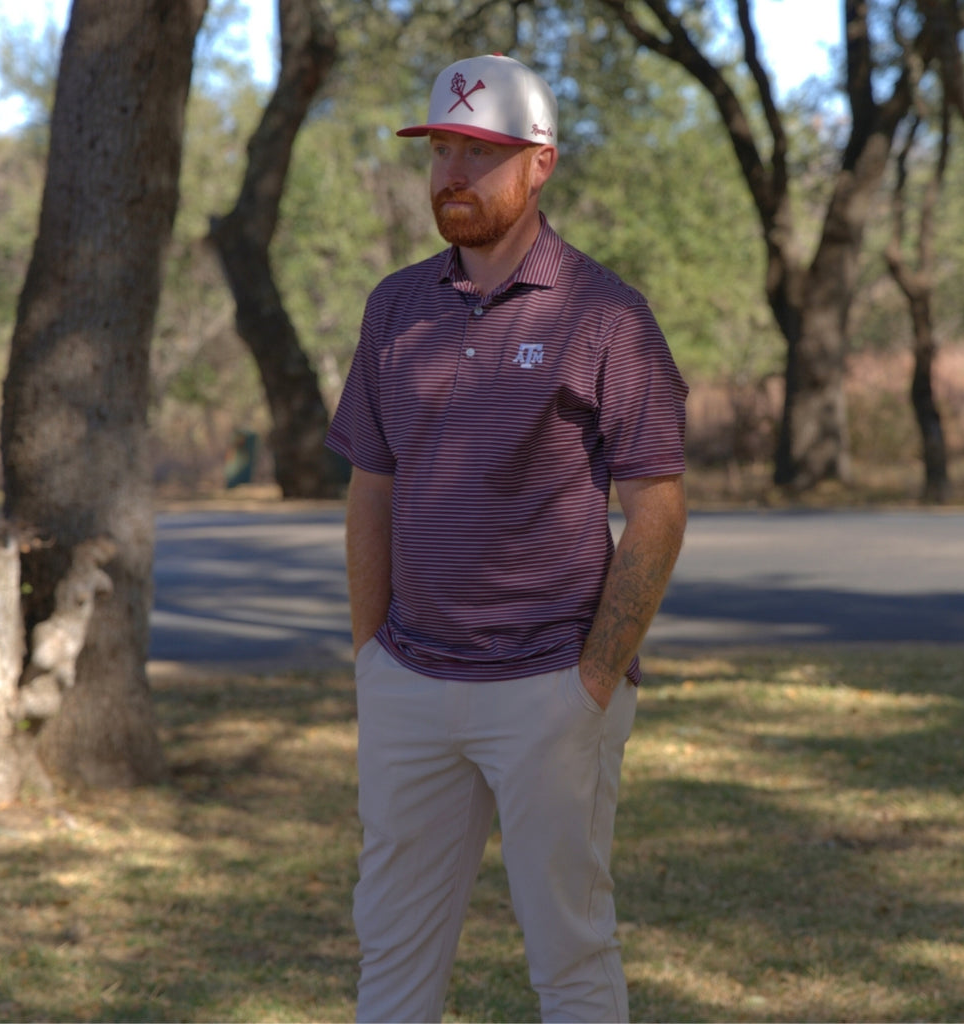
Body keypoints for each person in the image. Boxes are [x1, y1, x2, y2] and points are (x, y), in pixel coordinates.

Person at [325, 53, 688, 1023]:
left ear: (539, 165)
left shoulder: (605, 314)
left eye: (480, 153)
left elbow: (656, 505)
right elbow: (372, 484)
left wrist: (594, 681)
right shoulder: (392, 309)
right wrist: (372, 660)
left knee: (569, 957)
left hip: (547, 685)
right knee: (391, 960)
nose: (452, 172)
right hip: (410, 680)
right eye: (440, 147)